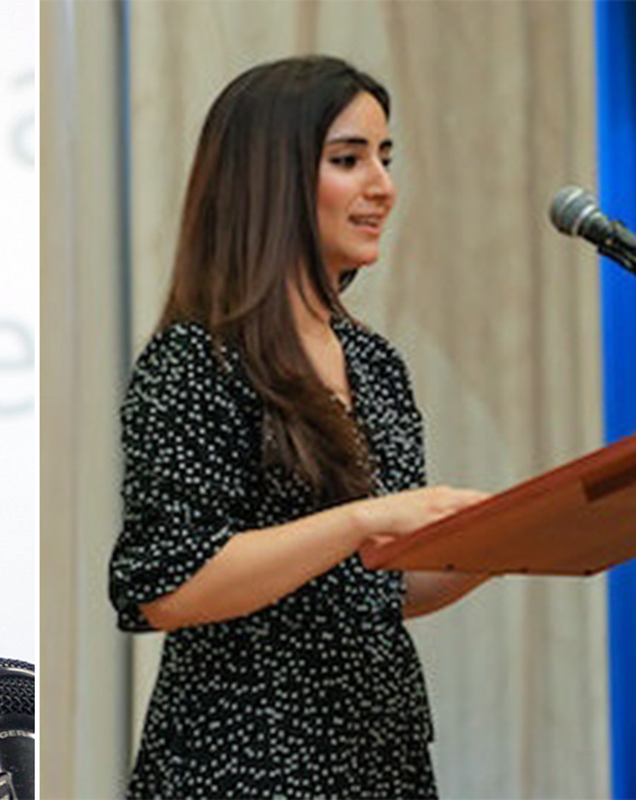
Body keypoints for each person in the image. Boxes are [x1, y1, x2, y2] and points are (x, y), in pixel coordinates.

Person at [108, 56, 493, 798]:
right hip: (243, 759)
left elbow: (385, 582)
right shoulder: (195, 360)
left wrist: (509, 538)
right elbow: (169, 584)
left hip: (376, 751)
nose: (381, 185)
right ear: (270, 178)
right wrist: (358, 520)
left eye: (386, 157)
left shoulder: (375, 363)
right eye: (348, 160)